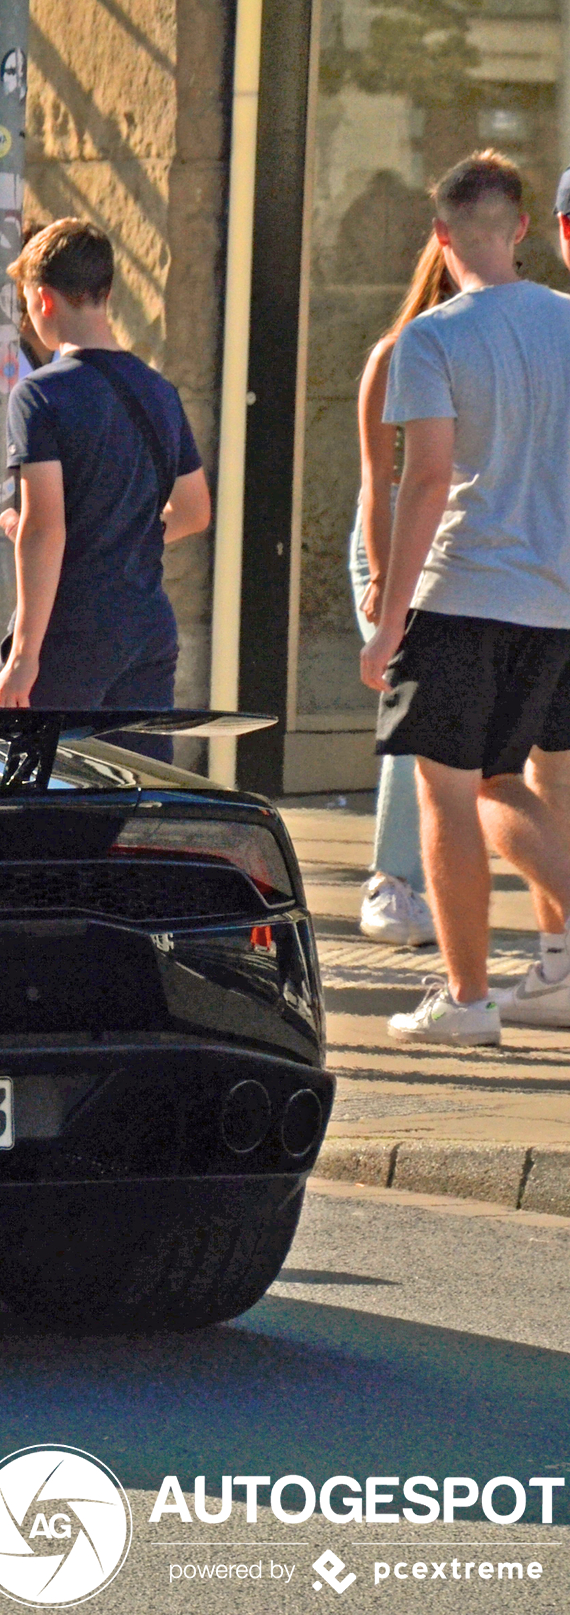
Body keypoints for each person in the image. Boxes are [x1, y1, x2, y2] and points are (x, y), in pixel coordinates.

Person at [361, 151, 570, 1046]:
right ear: (522, 227)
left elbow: (427, 480)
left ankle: (470, 1002)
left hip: (461, 598)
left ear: (441, 235)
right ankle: (485, 993)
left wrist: (389, 619)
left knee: (453, 795)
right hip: (556, 601)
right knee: (500, 781)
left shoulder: (433, 338)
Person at [0, 218, 212, 753]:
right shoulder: (159, 391)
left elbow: (45, 529)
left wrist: (23, 658)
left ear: (42, 299)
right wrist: (122, 535)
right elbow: (195, 510)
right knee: (130, 798)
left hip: (70, 631)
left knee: (36, 797)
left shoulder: (39, 396)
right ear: (105, 293)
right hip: (146, 627)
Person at [348, 237, 454, 947]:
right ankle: (391, 880)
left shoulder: (489, 350)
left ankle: (421, 877)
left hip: (459, 545)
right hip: (391, 541)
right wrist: (386, 585)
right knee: (415, 699)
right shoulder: (396, 353)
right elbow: (377, 481)